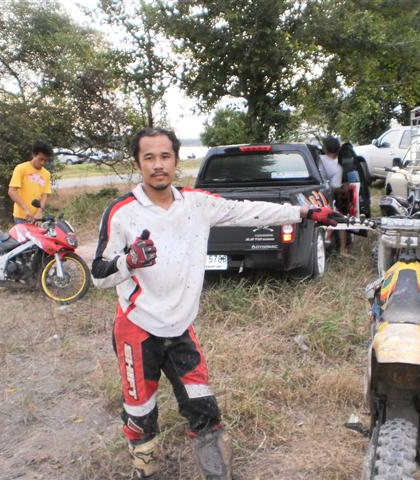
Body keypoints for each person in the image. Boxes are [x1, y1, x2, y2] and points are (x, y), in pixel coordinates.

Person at [91, 127, 342, 480]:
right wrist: (129, 261)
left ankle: (217, 474)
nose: (158, 165)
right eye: (149, 157)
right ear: (138, 163)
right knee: (141, 414)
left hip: (181, 327)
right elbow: (98, 275)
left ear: (176, 161)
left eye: (165, 156)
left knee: (204, 408)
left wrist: (306, 214)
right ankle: (146, 469)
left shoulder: (197, 203)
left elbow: (248, 211)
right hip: (137, 328)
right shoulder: (122, 212)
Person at [319, 135, 352, 257]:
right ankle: (342, 249)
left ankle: (327, 238)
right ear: (338, 151)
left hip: (313, 196)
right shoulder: (337, 168)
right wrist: (344, 188)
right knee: (340, 219)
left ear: (325, 148)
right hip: (326, 197)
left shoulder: (317, 159)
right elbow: (335, 188)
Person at [8, 141, 53, 224]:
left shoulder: (46, 174)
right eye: (40, 159)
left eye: (45, 160)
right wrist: (26, 209)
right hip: (21, 217)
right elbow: (12, 191)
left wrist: (38, 213)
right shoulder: (21, 168)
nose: (42, 163)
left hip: (37, 218)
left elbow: (44, 196)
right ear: (33, 155)